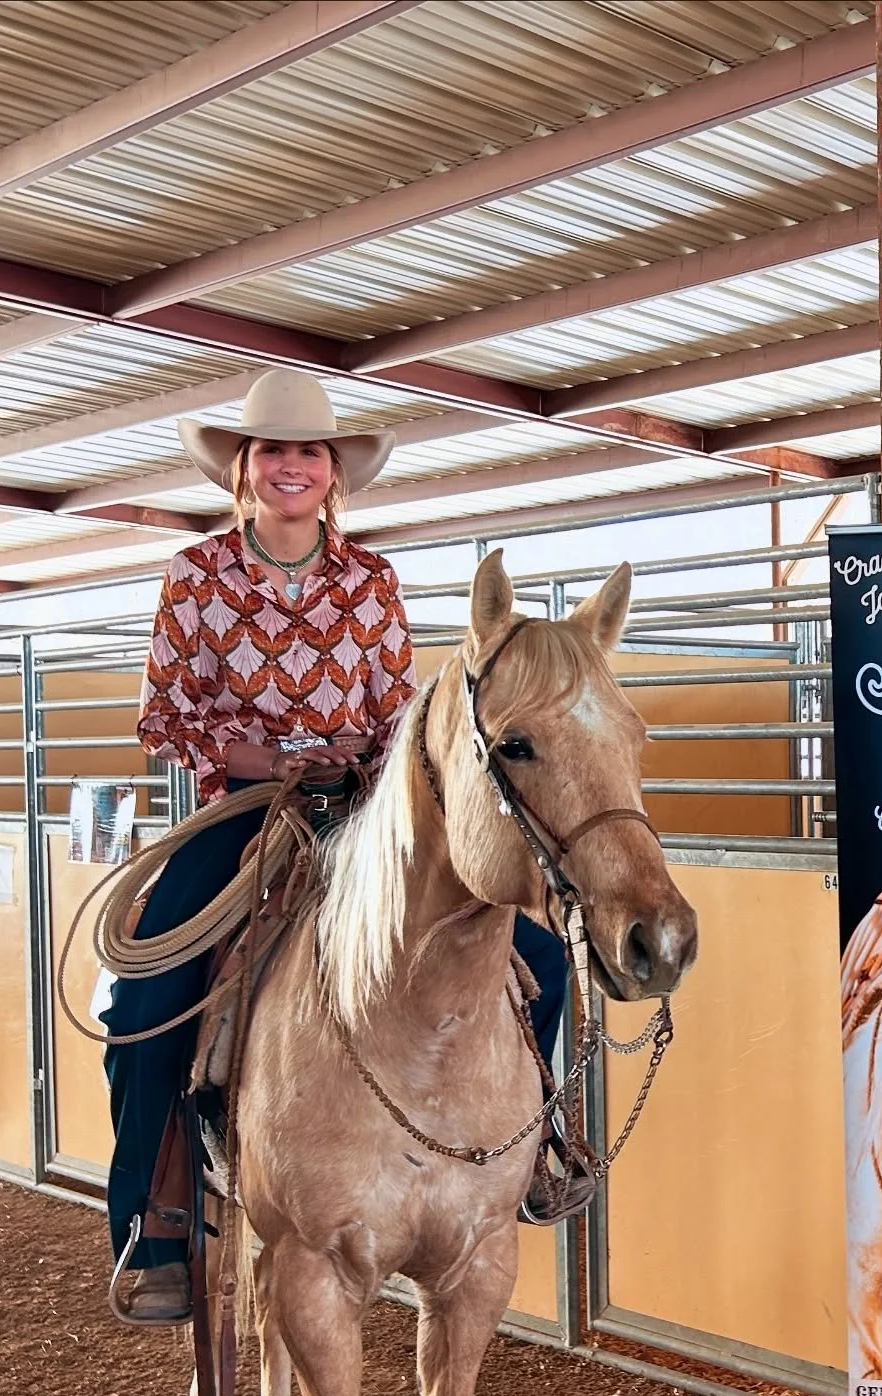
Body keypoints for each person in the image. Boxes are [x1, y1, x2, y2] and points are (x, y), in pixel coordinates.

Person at [105, 369, 571, 1322]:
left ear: (331, 472)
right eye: (273, 450)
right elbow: (166, 712)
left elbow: (401, 710)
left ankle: (540, 1144)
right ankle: (155, 1221)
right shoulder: (195, 577)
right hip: (246, 810)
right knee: (146, 999)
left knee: (539, 960)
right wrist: (263, 758)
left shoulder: (371, 580)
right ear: (245, 466)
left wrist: (369, 755)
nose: (291, 467)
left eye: (308, 452)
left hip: (364, 808)